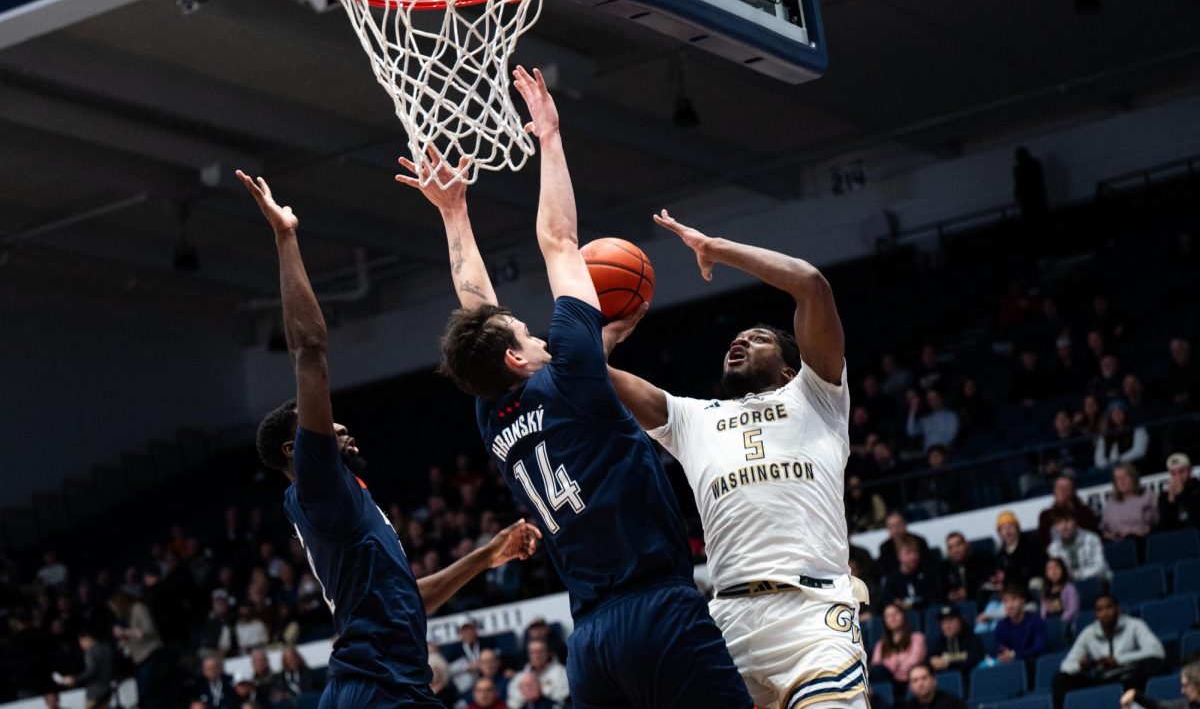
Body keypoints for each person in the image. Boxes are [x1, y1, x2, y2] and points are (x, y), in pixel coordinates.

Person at [400, 68, 751, 709]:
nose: (539, 334)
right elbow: (559, 241)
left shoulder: (493, 415)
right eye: (529, 333)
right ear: (517, 358)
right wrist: (551, 137)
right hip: (659, 609)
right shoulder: (571, 374)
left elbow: (478, 308)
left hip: (590, 639)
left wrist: (455, 214)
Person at [237, 168, 540, 709]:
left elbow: (409, 600)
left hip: (388, 685)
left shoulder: (347, 510)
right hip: (378, 688)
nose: (342, 426)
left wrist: (483, 557)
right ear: (296, 449)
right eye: (329, 426)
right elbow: (309, 351)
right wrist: (286, 238)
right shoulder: (319, 483)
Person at [595, 182, 871, 704]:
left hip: (811, 615)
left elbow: (811, 284)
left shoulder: (817, 396)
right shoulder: (693, 417)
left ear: (791, 367)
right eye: (735, 338)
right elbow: (592, 374)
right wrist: (605, 334)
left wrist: (714, 249)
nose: (739, 340)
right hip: (727, 621)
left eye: (758, 337)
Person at [1054, 594, 1167, 709]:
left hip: (1131, 678)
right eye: (1100, 610)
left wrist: (1118, 660)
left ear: (1118, 609)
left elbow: (1156, 650)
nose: (1105, 613)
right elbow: (1066, 665)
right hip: (1102, 680)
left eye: (1108, 608)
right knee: (1061, 679)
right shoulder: (1088, 633)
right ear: (1096, 614)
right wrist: (1081, 666)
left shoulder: (1134, 625)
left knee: (1154, 664)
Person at [108, 590, 172, 709]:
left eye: (114, 607)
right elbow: (134, 636)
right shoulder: (128, 615)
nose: (114, 610)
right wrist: (123, 641)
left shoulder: (138, 608)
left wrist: (125, 632)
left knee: (147, 693)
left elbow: (148, 630)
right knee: (144, 694)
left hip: (152, 654)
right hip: (140, 659)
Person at [870, 602, 927, 692]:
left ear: (903, 616)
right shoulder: (880, 644)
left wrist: (892, 666)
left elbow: (912, 664)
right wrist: (897, 663)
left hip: (908, 681)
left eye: (896, 613)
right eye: (888, 616)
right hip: (887, 682)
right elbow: (876, 666)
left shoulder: (917, 638)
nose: (892, 617)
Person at [1047, 507, 1111, 582]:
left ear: (1075, 521)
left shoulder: (1092, 538)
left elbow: (1100, 568)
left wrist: (1075, 575)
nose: (1064, 527)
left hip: (1098, 584)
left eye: (1067, 521)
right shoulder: (1053, 548)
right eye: (1059, 523)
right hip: (1070, 588)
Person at [1037, 475, 1101, 548]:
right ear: (1054, 491)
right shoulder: (1045, 516)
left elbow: (1092, 538)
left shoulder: (1084, 512)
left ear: (1073, 491)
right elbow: (1044, 545)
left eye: (1066, 488)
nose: (1062, 491)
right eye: (1059, 488)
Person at [880, 535, 940, 612]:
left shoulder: (928, 574)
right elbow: (887, 603)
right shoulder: (891, 580)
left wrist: (912, 605)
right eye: (908, 552)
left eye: (915, 552)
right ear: (899, 556)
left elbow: (934, 599)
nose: (913, 556)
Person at [57, 627, 113, 709]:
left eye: (81, 642)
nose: (81, 645)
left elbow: (91, 671)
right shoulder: (106, 648)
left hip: (95, 692)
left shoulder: (90, 653)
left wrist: (74, 679)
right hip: (107, 689)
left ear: (88, 638)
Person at [1101, 463, 1157, 542]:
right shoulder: (1111, 501)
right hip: (1118, 544)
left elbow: (1155, 522)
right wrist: (1113, 536)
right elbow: (1104, 530)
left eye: (1124, 477)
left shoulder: (1148, 496)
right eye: (1117, 479)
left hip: (1143, 540)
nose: (1121, 482)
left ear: (1133, 478)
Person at [507, 641, 569, 709]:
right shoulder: (520, 676)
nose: (537, 656)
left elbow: (561, 699)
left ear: (548, 652)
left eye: (540, 651)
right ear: (528, 654)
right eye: (533, 652)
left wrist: (538, 695)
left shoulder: (560, 672)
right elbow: (513, 704)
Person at [994, 511, 1045, 593]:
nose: (1007, 531)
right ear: (1000, 533)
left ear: (1017, 528)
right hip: (1013, 588)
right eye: (1003, 528)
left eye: (1010, 526)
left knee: (1035, 583)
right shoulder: (1001, 554)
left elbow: (1034, 570)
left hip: (1031, 581)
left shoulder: (1030, 543)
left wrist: (1008, 576)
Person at [994, 584, 1046, 663]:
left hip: (1034, 664)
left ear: (1022, 600)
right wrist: (1004, 655)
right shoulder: (1001, 626)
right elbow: (1000, 649)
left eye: (1013, 600)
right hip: (1012, 668)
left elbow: (1040, 646)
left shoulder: (1035, 620)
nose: (1010, 605)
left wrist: (1015, 655)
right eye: (1006, 601)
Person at [927, 606, 983, 677]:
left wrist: (948, 664)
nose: (947, 626)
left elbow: (975, 660)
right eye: (943, 622)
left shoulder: (971, 638)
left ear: (960, 621)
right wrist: (932, 663)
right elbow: (929, 661)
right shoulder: (939, 642)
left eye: (950, 621)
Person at [1121, 659, 1200, 709]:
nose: (1182, 691)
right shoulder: (1186, 705)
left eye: (1186, 686)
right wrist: (1134, 693)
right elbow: (1158, 705)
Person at [941, 532, 993, 607]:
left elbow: (987, 582)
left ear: (966, 544)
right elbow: (942, 590)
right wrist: (950, 596)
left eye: (958, 545)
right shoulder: (945, 567)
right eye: (951, 547)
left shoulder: (981, 558)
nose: (956, 551)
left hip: (982, 601)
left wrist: (969, 592)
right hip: (957, 606)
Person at [1095, 402, 1150, 470]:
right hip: (1109, 469)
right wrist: (1108, 464)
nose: (1117, 414)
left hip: (1131, 466)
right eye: (1113, 412)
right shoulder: (1105, 435)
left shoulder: (1138, 430)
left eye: (1119, 411)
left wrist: (1119, 460)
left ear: (1125, 413)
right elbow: (1099, 459)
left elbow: (1139, 451)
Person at [1159, 453, 1200, 531]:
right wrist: (1170, 502)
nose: (1177, 476)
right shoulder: (1165, 494)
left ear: (1190, 470)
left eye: (1181, 471)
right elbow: (1165, 526)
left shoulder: (1197, 487)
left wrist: (1182, 494)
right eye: (1173, 473)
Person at [902, 663, 967, 709]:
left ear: (933, 681)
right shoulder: (906, 707)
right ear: (910, 687)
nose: (920, 684)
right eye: (915, 680)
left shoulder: (953, 704)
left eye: (924, 678)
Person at [1040, 557, 1079, 628]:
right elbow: (1043, 612)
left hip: (1065, 624)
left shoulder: (1069, 588)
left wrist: (1060, 621)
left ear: (1062, 569)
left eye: (1056, 567)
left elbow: (1073, 609)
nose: (1053, 571)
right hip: (1050, 624)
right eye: (1050, 569)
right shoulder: (1046, 591)